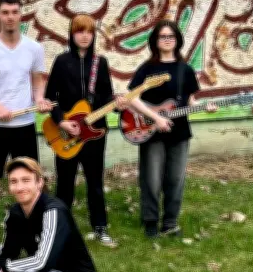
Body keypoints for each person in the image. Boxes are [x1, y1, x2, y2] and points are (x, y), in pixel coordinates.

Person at [0, 0, 52, 256]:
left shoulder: (33, 48)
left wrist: (39, 99)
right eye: (5, 12)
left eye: (15, 12)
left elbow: (37, 80)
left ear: (21, 15)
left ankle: (33, 230)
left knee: (30, 179)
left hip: (25, 125)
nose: (10, 17)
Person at [126, 20, 218, 238]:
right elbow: (132, 97)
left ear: (177, 40)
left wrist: (205, 107)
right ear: (155, 41)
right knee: (151, 178)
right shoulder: (147, 68)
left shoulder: (185, 69)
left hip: (180, 132)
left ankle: (170, 223)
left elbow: (189, 101)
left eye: (171, 36)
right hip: (151, 130)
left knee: (176, 179)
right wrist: (155, 118)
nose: (167, 40)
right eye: (163, 36)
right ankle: (150, 221)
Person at [45, 14, 127, 247]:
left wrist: (117, 105)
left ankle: (100, 228)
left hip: (95, 133)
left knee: (95, 182)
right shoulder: (62, 62)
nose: (84, 36)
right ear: (72, 34)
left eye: (89, 32)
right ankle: (60, 230)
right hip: (67, 133)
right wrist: (61, 121)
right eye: (80, 31)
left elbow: (106, 96)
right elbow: (51, 98)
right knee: (64, 184)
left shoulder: (101, 63)